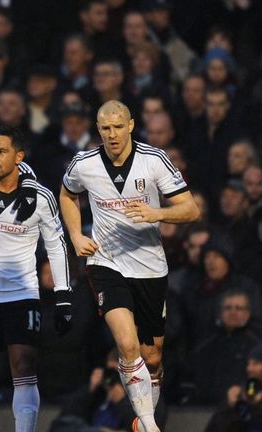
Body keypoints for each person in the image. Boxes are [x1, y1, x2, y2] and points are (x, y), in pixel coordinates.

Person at [59, 100, 199, 432]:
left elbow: (190, 210)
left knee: (152, 358)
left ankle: (142, 417)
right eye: (105, 128)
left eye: (118, 126)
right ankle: (148, 423)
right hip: (106, 262)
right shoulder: (84, 163)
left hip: (150, 266)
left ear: (131, 125)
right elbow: (67, 195)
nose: (112, 134)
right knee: (126, 343)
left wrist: (157, 214)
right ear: (98, 130)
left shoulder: (154, 161)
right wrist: (76, 235)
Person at [0, 126, 71, 432]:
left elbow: (57, 245)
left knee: (24, 365)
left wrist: (63, 295)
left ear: (19, 156)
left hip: (22, 294)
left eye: (1, 151)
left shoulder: (41, 197)